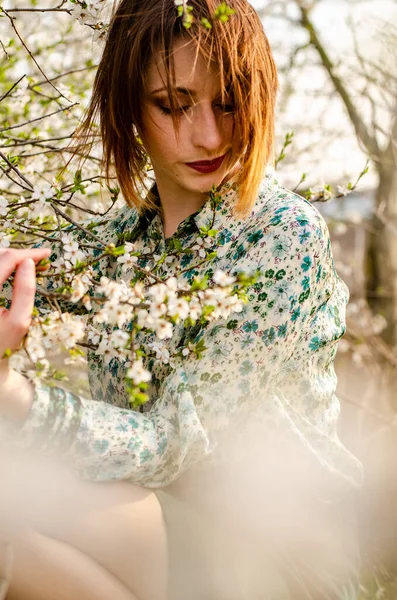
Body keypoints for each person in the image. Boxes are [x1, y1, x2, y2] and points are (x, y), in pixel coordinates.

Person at [0, 0, 363, 598]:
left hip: (279, 548)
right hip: (150, 521)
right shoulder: (113, 248)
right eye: (173, 104)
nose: (210, 134)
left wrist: (14, 395)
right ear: (129, 105)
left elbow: (177, 445)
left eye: (229, 101)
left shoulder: (281, 236)